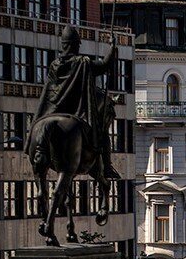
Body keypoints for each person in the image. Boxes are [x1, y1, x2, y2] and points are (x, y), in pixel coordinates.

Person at [29, 25, 119, 179]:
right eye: (77, 44)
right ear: (75, 45)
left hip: (52, 110)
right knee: (102, 135)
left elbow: (49, 91)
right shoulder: (82, 62)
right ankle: (107, 166)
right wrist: (112, 47)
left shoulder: (54, 65)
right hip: (76, 112)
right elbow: (104, 65)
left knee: (36, 128)